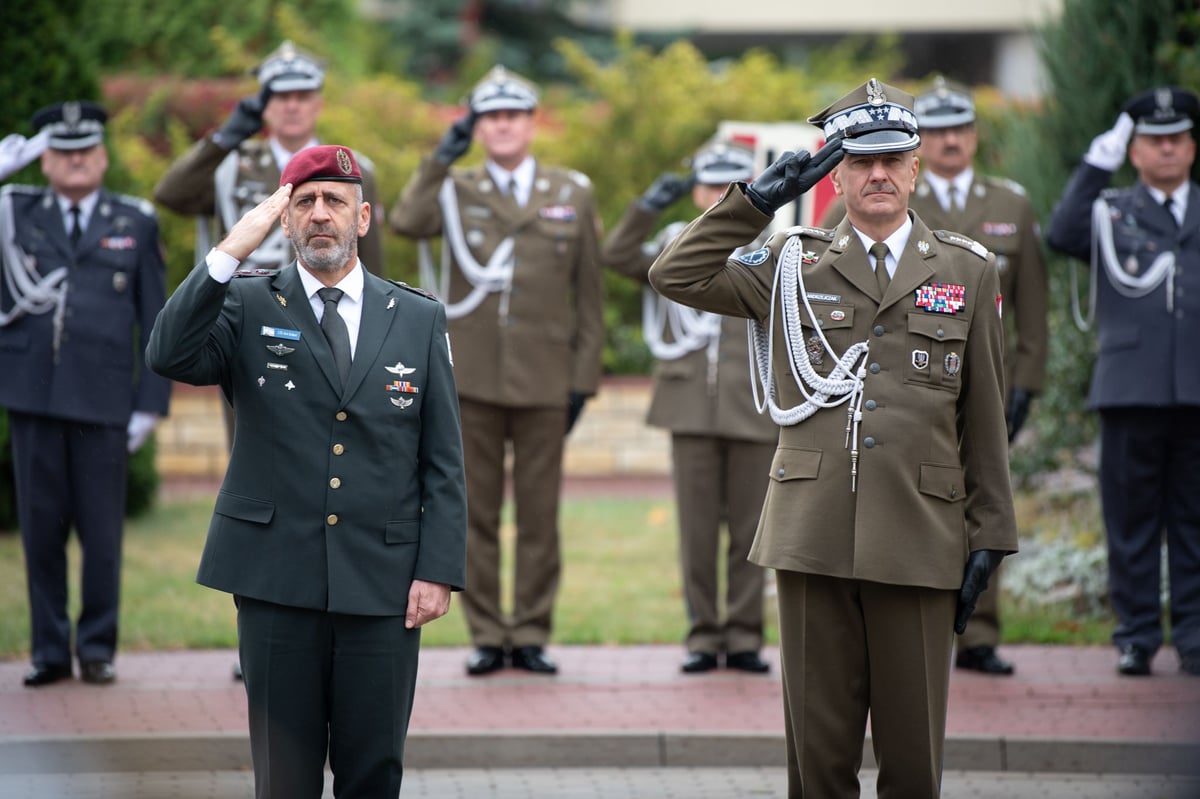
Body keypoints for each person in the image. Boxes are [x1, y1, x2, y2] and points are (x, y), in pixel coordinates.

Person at [649, 78, 1018, 797]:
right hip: (813, 534)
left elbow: (983, 413)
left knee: (913, 766)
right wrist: (754, 201)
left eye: (892, 160)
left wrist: (991, 531)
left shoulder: (967, 269)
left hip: (919, 533)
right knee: (817, 765)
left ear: (915, 169)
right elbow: (677, 273)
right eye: (859, 161)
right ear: (837, 172)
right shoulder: (791, 259)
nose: (877, 175)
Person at [146, 145, 468, 797]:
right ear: (285, 220)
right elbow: (167, 351)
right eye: (304, 202)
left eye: (335, 201)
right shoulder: (244, 304)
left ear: (364, 217)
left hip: (383, 582)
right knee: (284, 777)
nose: (320, 214)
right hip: (274, 578)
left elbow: (443, 460)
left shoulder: (417, 316)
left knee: (373, 770)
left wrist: (437, 569)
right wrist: (229, 251)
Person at [153, 40, 386, 680]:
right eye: (279, 96)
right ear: (265, 103)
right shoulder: (238, 162)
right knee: (262, 481)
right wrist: (227, 133)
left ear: (317, 101)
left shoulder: (348, 167)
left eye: (302, 95)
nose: (292, 107)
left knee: (338, 474)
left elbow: (376, 261)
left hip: (335, 329)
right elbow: (172, 194)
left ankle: (332, 615)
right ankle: (264, 623)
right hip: (258, 333)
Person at [389, 65, 605, 677]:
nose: (503, 125)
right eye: (490, 116)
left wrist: (582, 382)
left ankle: (530, 632)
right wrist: (438, 160)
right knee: (473, 512)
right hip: (471, 378)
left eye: (513, 114)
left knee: (540, 516)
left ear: (532, 122)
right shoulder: (455, 188)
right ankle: (487, 633)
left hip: (545, 380)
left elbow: (588, 295)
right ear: (477, 127)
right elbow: (405, 222)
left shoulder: (572, 190)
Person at [0, 101, 171, 687]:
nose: (75, 162)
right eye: (62, 152)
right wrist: (6, 163)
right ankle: (49, 650)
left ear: (102, 157)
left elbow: (156, 321)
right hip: (35, 399)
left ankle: (97, 647)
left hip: (102, 406)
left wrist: (150, 403)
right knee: (41, 530)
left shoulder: (135, 221)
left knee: (102, 535)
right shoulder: (15, 210)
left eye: (85, 152)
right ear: (44, 161)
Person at [601, 138, 777, 674]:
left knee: (752, 531)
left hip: (753, 405)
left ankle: (744, 636)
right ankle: (703, 634)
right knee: (697, 531)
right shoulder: (674, 244)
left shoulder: (774, 246)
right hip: (689, 407)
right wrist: (647, 207)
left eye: (729, 184)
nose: (716, 194)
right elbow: (615, 256)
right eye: (708, 184)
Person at [1045, 86, 1200, 679]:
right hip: (1131, 387)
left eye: (1177, 140)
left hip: (1194, 392)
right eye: (1154, 142)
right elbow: (1061, 234)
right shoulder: (1111, 211)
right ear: (1134, 151)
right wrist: (1094, 164)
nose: (1166, 151)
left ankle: (1192, 635)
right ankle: (1135, 636)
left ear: (1191, 147)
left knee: (1193, 520)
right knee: (1131, 522)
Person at [911, 77, 1047, 676]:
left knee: (987, 498)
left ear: (974, 135)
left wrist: (1028, 380)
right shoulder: (896, 197)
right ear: (918, 140)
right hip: (923, 380)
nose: (950, 140)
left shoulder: (1009, 204)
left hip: (989, 380)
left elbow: (1032, 306)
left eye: (960, 128)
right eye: (937, 130)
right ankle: (923, 625)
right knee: (924, 497)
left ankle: (981, 634)